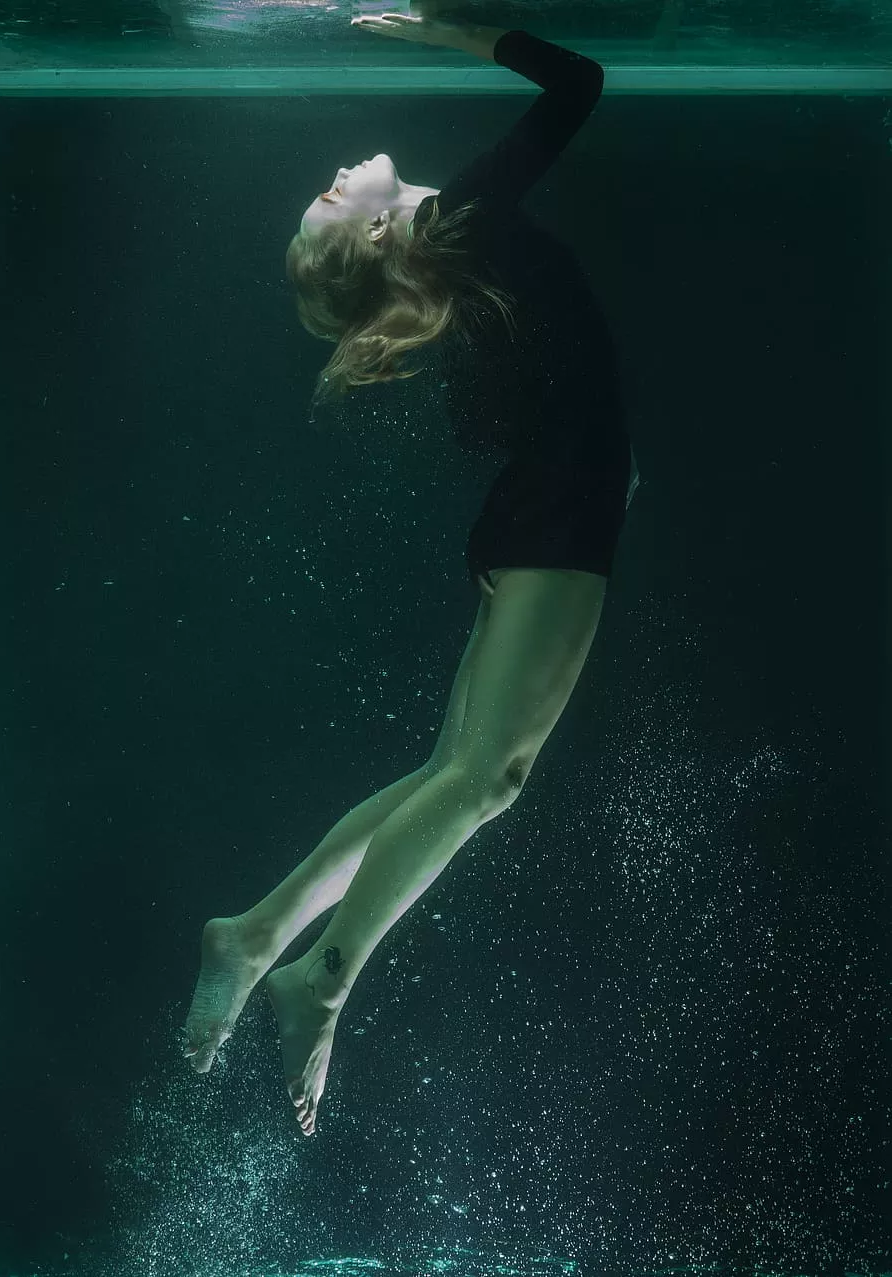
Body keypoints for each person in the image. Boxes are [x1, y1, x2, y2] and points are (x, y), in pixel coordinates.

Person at [184, 14, 640, 1137]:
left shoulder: (454, 250)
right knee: (484, 778)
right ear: (380, 229)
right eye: (330, 200)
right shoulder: (459, 217)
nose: (336, 176)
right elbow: (578, 82)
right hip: (556, 515)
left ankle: (258, 932)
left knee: (460, 771)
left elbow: (535, 396)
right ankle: (323, 975)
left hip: (544, 512)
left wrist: (600, 457)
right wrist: (455, 29)